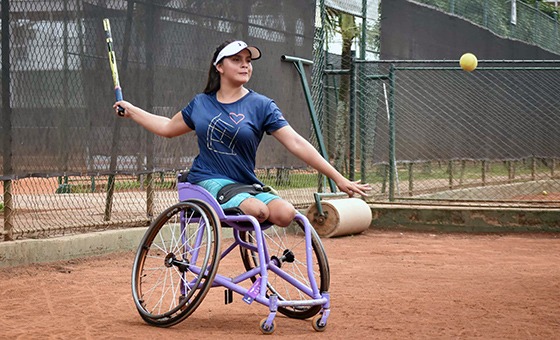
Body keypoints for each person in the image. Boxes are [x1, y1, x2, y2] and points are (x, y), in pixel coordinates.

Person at [114, 40, 371, 227]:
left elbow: (295, 142)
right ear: (219, 67)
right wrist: (133, 111)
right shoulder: (201, 104)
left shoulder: (262, 105)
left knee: (286, 214)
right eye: (236, 60)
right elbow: (168, 128)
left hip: (246, 183)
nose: (245, 65)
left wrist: (338, 178)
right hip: (208, 179)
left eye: (248, 61)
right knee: (257, 210)